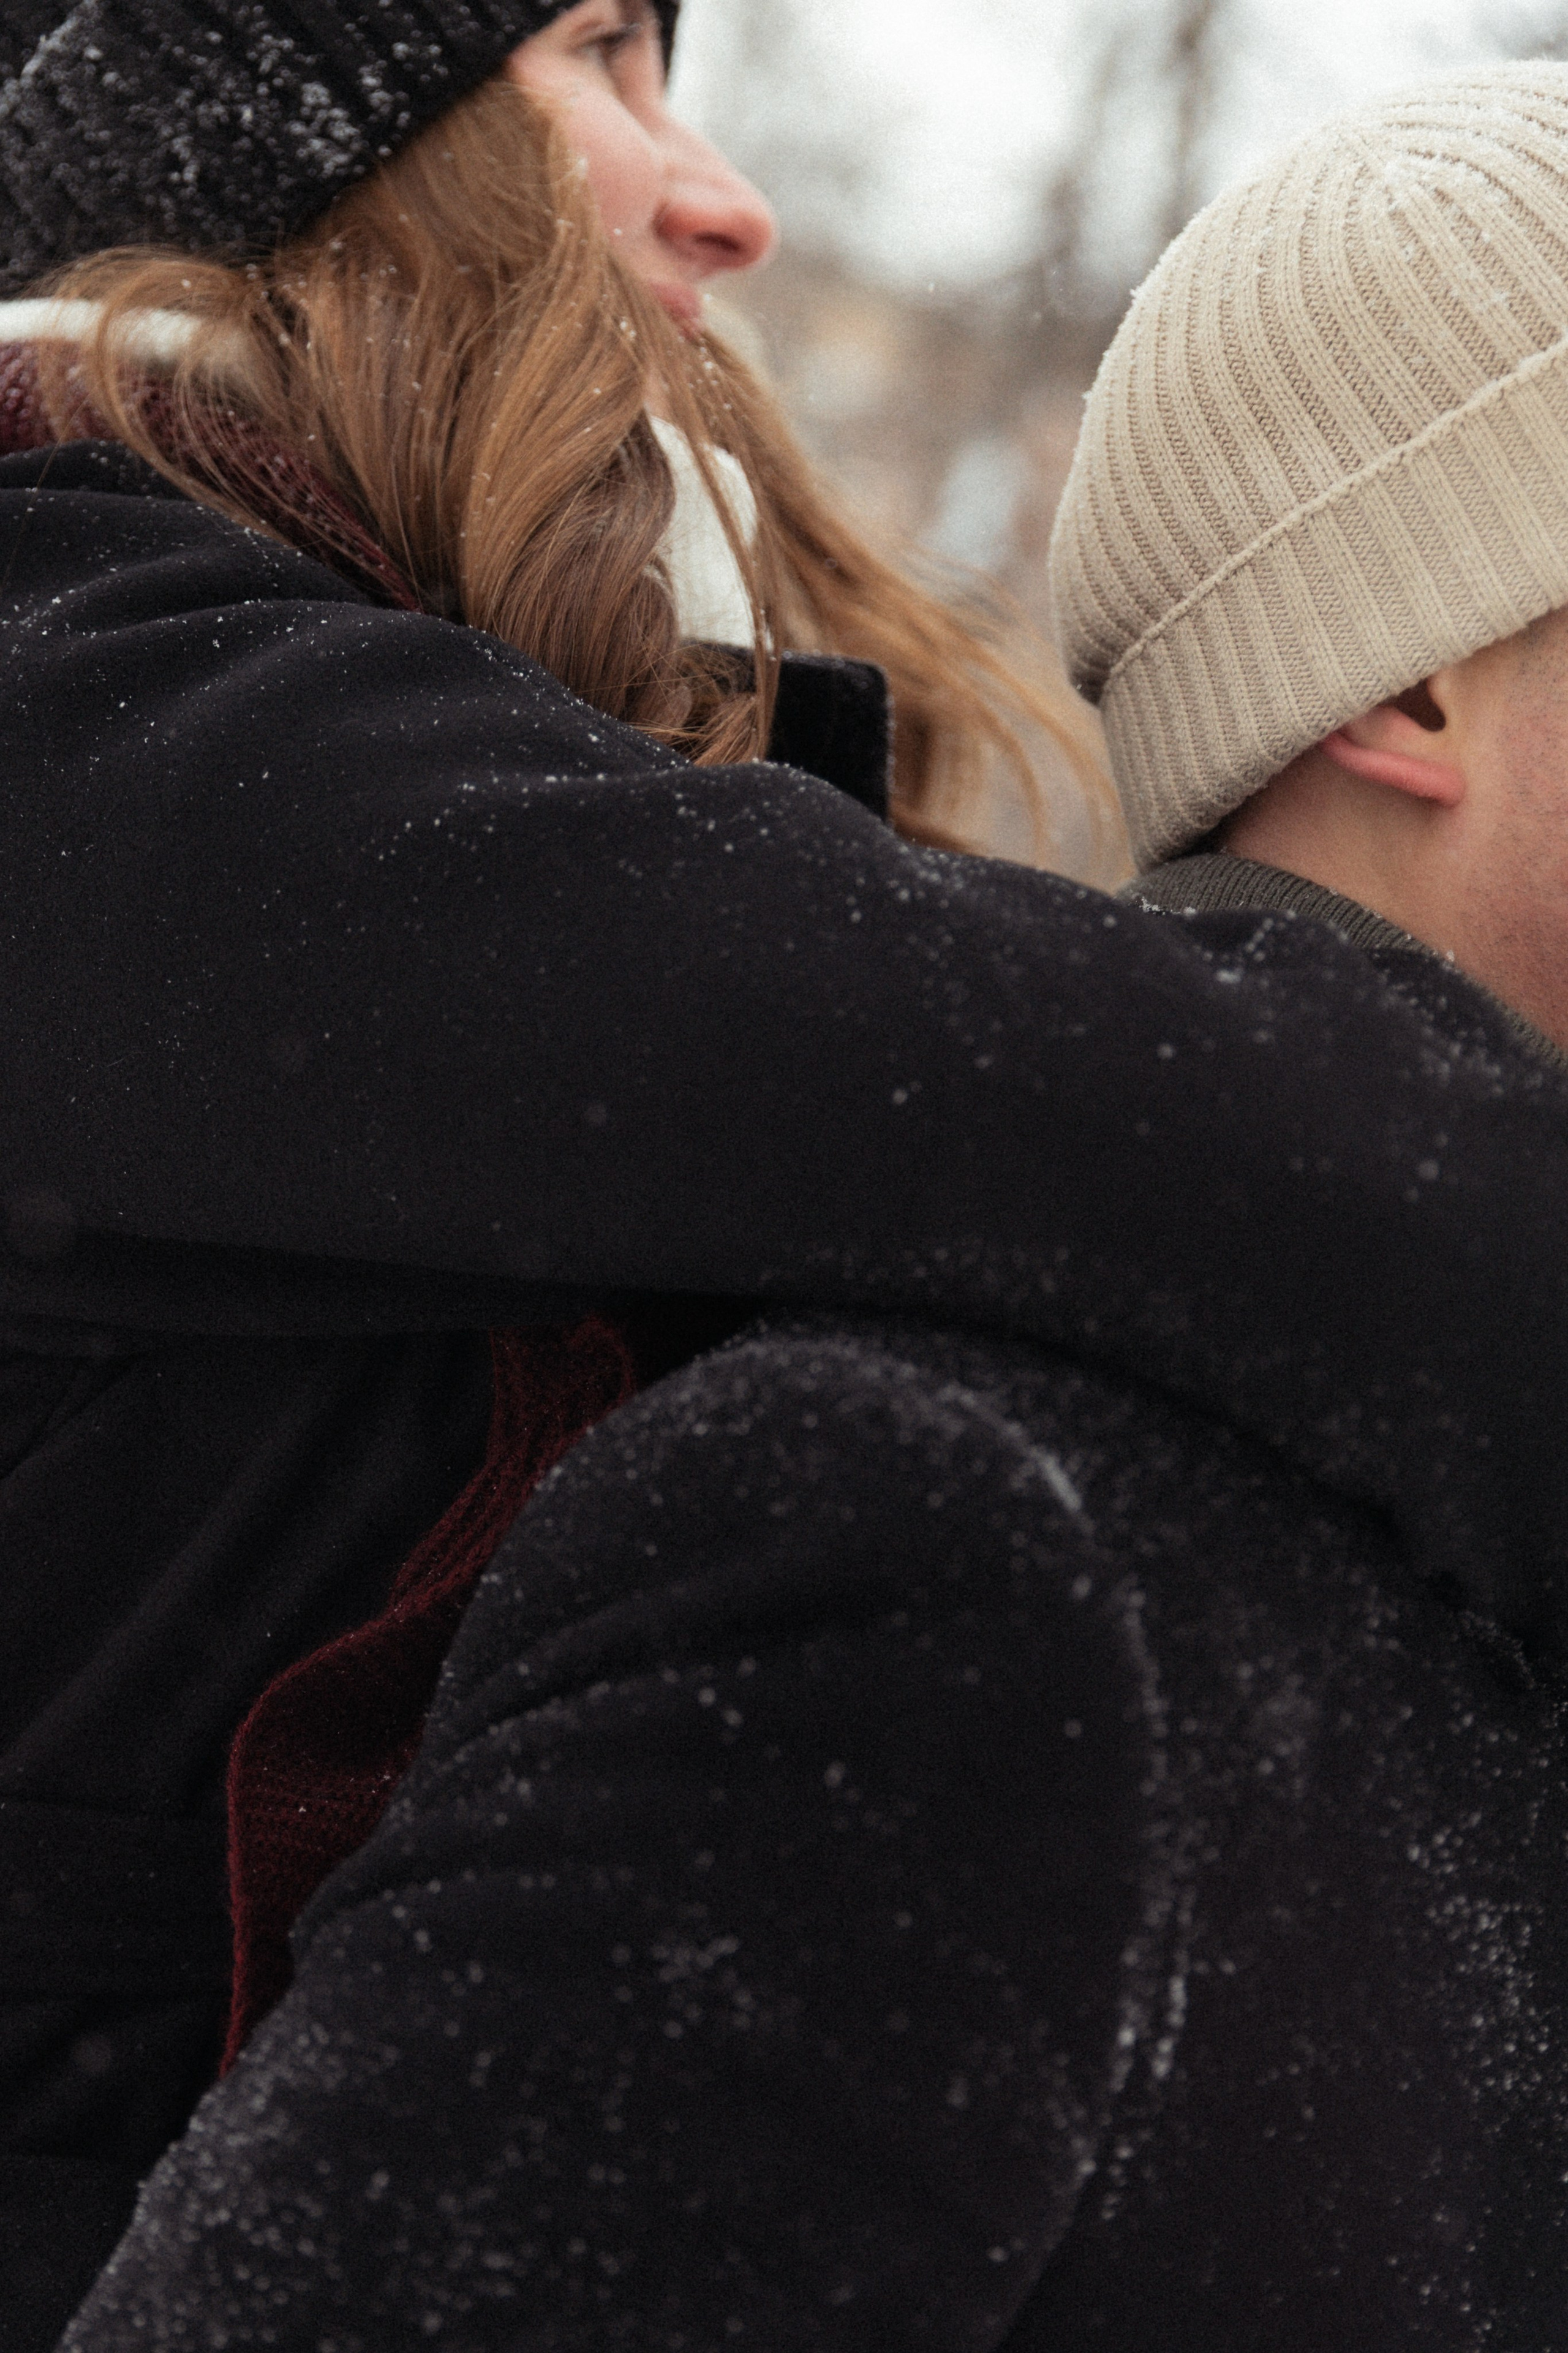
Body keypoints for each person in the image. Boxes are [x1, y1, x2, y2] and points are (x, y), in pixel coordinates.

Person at [2, 11, 1567, 2346]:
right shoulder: (84, 706)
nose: (721, 194)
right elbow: (963, 1070)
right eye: (593, 57)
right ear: (226, 128)